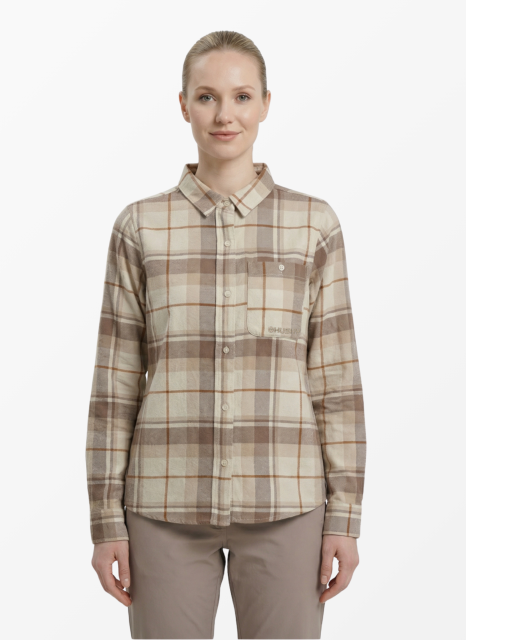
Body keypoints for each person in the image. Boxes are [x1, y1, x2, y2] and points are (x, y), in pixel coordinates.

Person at [85, 30, 367, 640]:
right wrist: (106, 520)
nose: (224, 115)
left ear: (265, 104)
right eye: (207, 96)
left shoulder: (313, 225)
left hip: (286, 500)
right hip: (163, 503)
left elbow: (336, 381)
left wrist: (344, 515)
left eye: (241, 96)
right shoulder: (140, 227)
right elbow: (115, 384)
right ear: (184, 105)